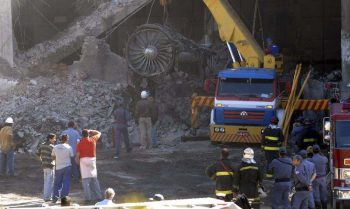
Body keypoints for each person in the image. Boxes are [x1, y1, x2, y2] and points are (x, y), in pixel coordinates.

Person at [76, 129, 103, 203]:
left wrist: (78, 163)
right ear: (88, 134)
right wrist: (91, 130)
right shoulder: (93, 139)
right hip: (92, 160)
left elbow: (77, 156)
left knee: (85, 181)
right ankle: (98, 196)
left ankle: (88, 199)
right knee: (94, 179)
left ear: (82, 135)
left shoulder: (79, 143)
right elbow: (99, 133)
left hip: (83, 160)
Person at [51, 134, 74, 203]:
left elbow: (52, 157)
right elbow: (72, 156)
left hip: (58, 167)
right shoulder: (69, 147)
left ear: (60, 139)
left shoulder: (55, 147)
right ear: (67, 139)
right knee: (66, 182)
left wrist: (58, 159)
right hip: (67, 166)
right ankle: (64, 199)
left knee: (57, 183)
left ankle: (55, 198)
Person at [37, 133, 56, 201]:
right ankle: (47, 197)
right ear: (50, 139)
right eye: (54, 138)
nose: (55, 140)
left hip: (44, 166)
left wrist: (42, 161)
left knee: (46, 181)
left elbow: (37, 154)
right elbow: (55, 157)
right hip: (50, 166)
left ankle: (45, 196)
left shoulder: (42, 145)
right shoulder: (52, 147)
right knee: (50, 182)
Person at [310, 145, 328, 209]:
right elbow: (326, 159)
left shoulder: (311, 160)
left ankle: (318, 207)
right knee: (324, 195)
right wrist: (321, 153)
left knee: (316, 195)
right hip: (323, 179)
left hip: (315, 178)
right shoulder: (324, 158)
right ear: (319, 150)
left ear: (312, 151)